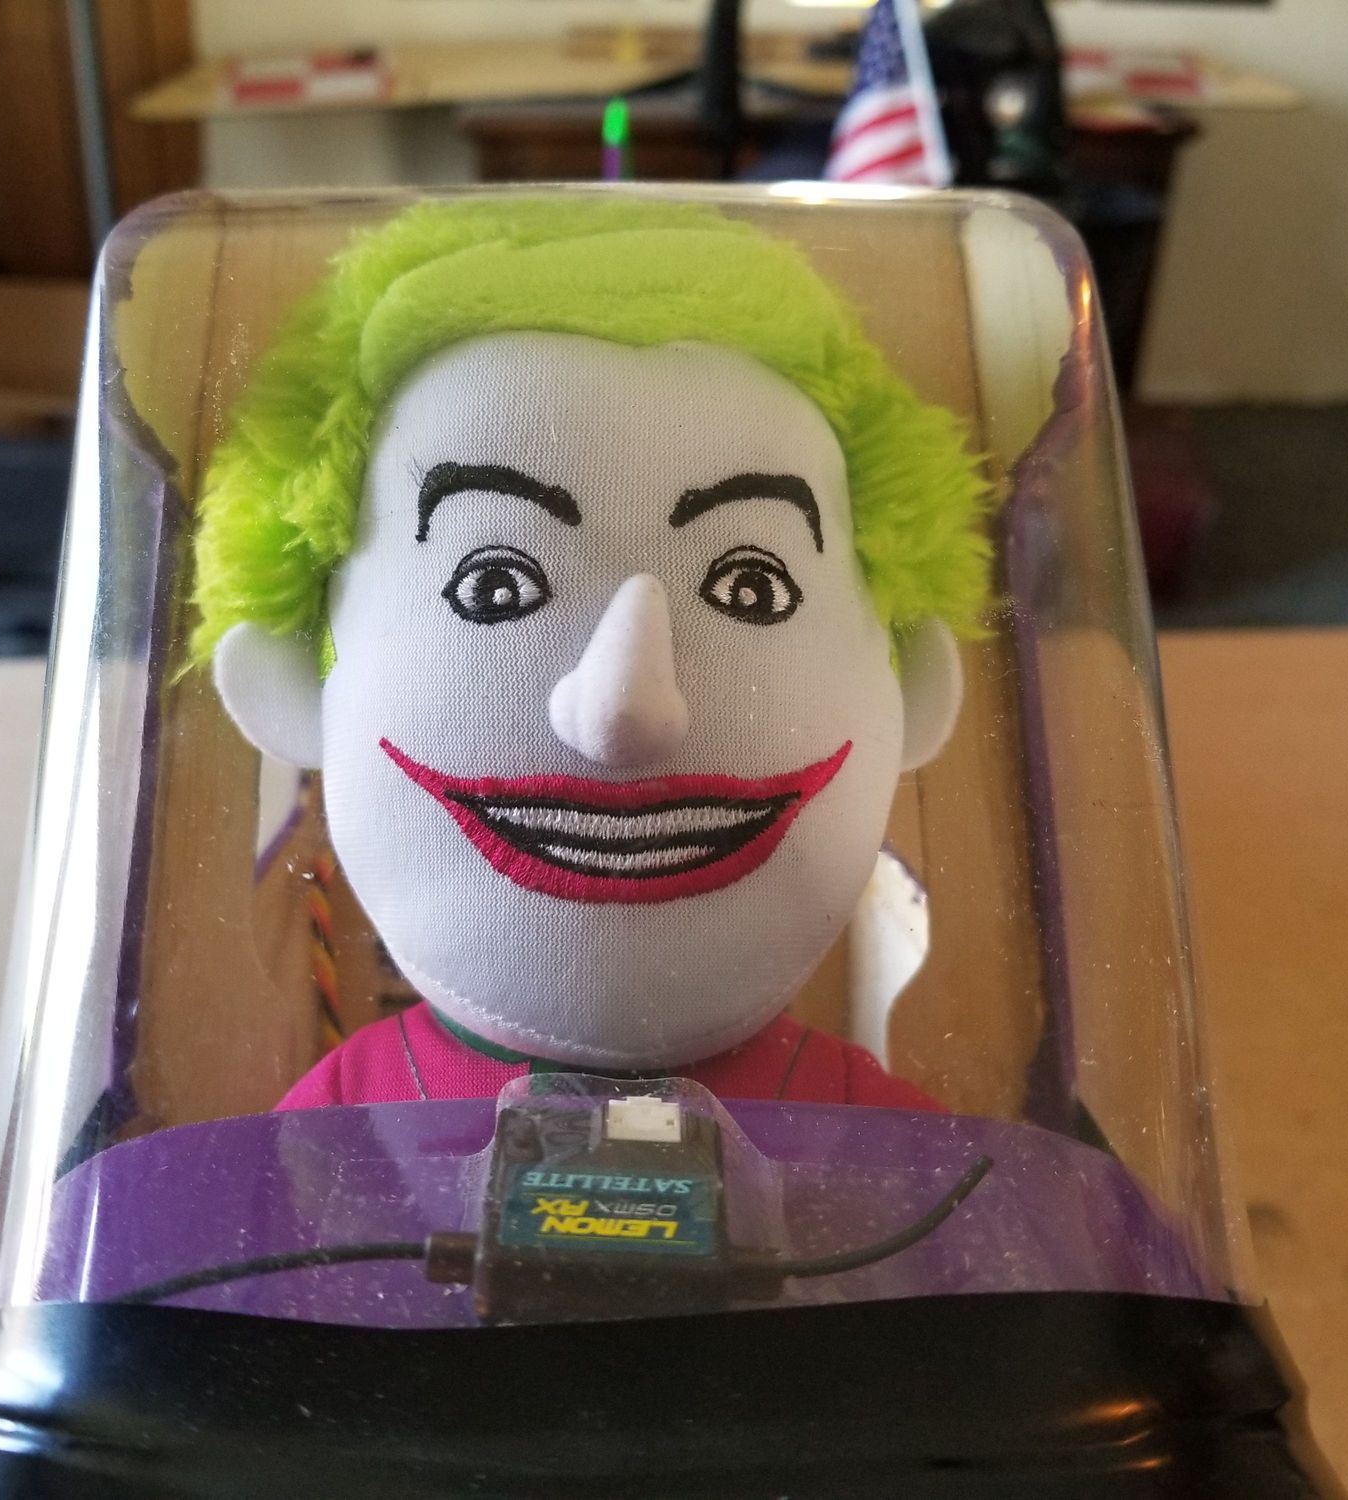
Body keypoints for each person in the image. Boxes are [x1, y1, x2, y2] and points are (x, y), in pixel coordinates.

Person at [193, 197, 990, 1111]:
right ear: (292, 683)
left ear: (913, 689)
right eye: (495, 586)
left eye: (750, 588)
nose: (626, 715)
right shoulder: (349, 1111)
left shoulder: (865, 1122)